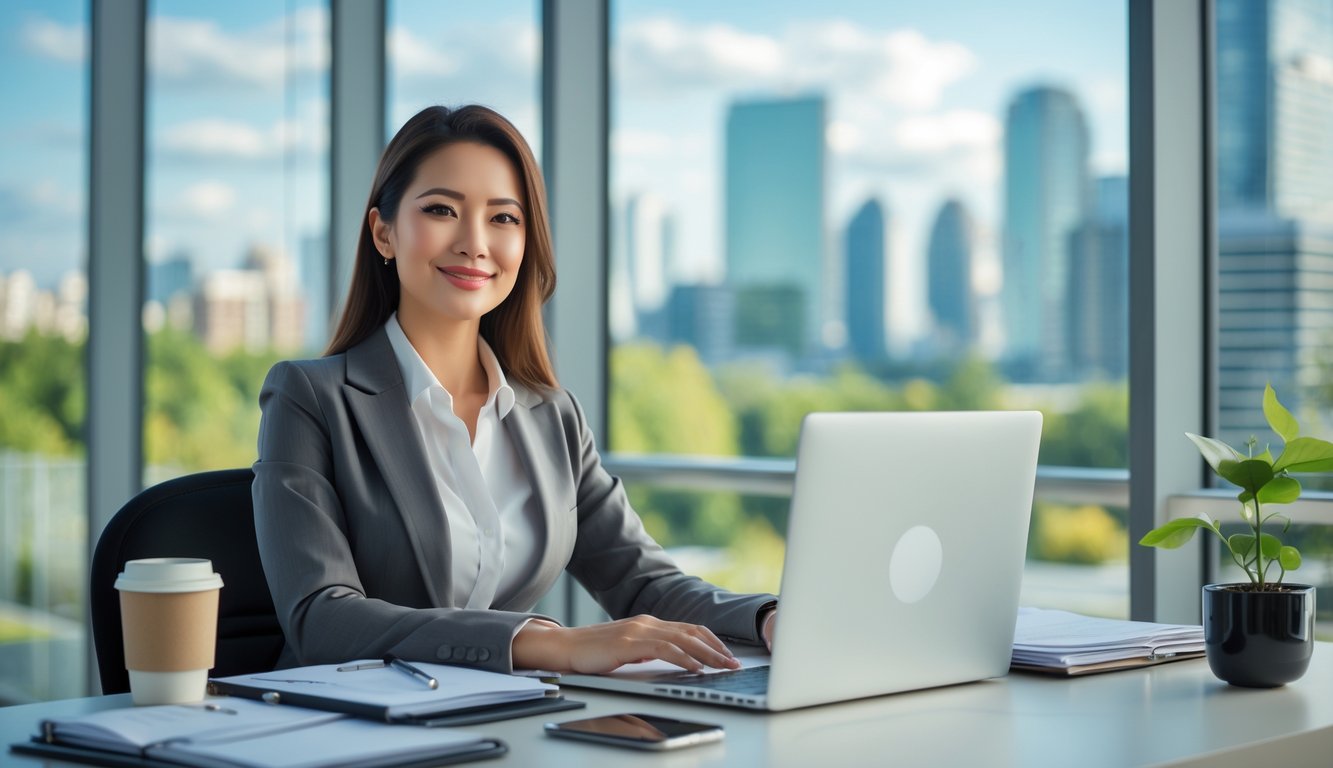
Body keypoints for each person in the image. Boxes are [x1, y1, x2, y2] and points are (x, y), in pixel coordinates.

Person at [252, 104, 777, 676]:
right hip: (342, 716)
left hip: (503, 713)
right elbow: (321, 617)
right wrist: (546, 643)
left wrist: (769, 618)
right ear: (384, 232)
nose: (474, 243)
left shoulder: (551, 416)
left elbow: (643, 582)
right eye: (441, 210)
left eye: (503, 218)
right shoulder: (311, 397)